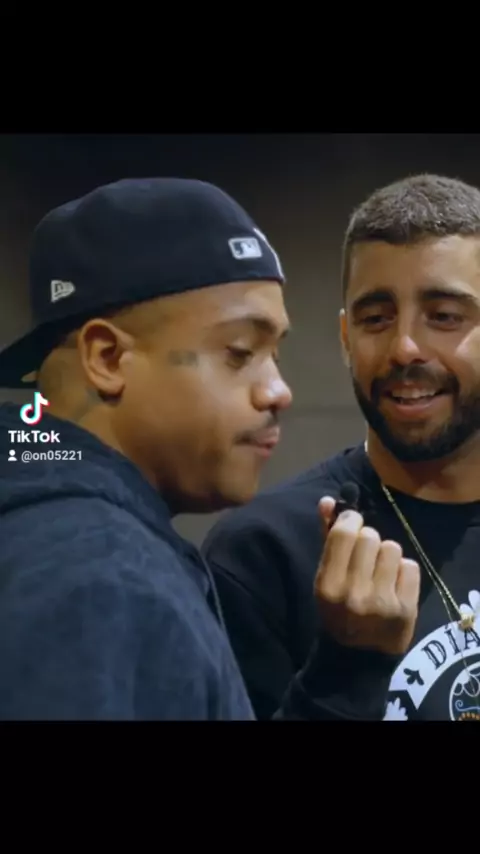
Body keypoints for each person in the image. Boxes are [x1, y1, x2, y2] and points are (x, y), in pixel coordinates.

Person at [0, 177, 419, 720]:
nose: (279, 391)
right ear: (106, 358)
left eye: (273, 355)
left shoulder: (59, 534)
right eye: (239, 352)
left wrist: (347, 673)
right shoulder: (95, 582)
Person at [202, 173, 480, 722]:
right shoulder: (262, 554)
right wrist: (345, 668)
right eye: (375, 319)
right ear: (346, 337)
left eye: (445, 317)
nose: (404, 347)